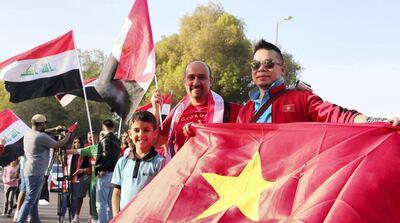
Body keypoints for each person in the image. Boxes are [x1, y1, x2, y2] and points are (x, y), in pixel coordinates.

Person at [237, 39, 400, 125]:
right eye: (255, 65)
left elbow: (338, 115)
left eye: (268, 64)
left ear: (283, 69)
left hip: (289, 181)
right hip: (254, 183)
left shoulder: (302, 99)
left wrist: (376, 121)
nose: (261, 69)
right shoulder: (246, 110)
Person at [151, 61, 242, 159]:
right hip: (180, 172)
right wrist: (156, 110)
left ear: (210, 81)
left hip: (212, 172)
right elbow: (154, 142)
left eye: (202, 77)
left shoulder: (232, 111)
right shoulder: (176, 113)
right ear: (184, 82)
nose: (196, 83)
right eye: (191, 77)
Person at [17, 114, 71, 223]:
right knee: (30, 200)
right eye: (44, 124)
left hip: (29, 170)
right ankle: (20, 222)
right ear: (41, 124)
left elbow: (43, 132)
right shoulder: (41, 137)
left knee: (34, 200)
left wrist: (55, 129)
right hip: (36, 172)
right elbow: (57, 144)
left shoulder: (28, 134)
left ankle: (37, 222)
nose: (45, 126)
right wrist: (68, 136)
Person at [111, 111, 164, 216]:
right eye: (136, 130)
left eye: (146, 130)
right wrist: (116, 218)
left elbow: (162, 197)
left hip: (148, 219)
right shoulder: (122, 161)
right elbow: (116, 194)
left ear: (155, 133)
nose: (141, 134)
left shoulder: (160, 163)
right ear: (130, 134)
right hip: (124, 220)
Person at [94, 120, 120, 223]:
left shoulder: (105, 140)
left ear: (104, 128)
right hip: (114, 174)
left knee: (101, 203)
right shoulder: (117, 141)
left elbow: (105, 154)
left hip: (105, 173)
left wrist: (101, 168)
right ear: (113, 128)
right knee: (110, 203)